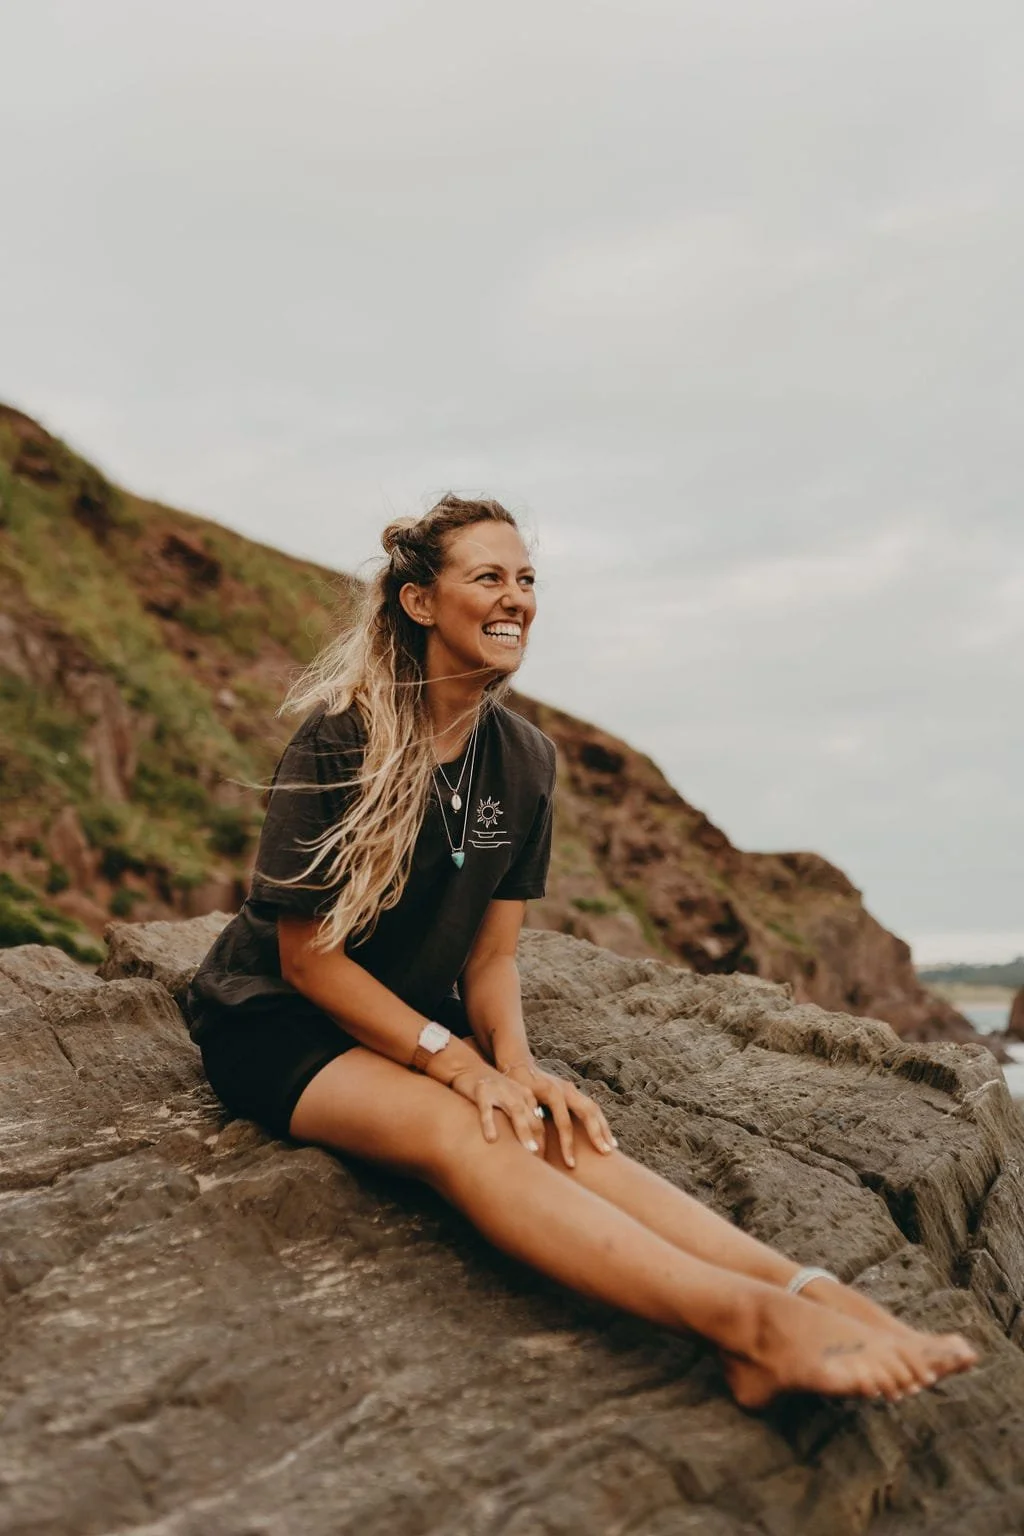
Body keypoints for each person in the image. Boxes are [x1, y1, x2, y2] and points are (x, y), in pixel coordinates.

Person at [188, 494, 978, 1409]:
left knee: (557, 1130)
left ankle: (809, 1292)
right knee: (468, 1132)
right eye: (488, 577)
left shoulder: (525, 759)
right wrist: (456, 1065)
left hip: (410, 1018)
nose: (515, 597)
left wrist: (518, 1065)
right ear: (419, 603)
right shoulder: (342, 737)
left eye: (527, 580)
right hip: (282, 1022)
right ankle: (750, 1333)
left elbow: (490, 961)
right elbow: (307, 961)